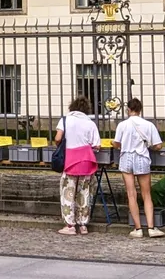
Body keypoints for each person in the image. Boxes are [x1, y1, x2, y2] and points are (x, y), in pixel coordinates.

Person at [112, 98, 165, 238]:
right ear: (140, 110)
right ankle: (151, 227)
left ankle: (138, 229)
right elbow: (158, 145)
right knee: (146, 195)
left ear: (128, 110)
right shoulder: (148, 125)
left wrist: (117, 144)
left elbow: (116, 144)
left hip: (127, 158)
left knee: (131, 194)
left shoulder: (122, 125)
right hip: (142, 157)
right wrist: (151, 146)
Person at [54, 97, 102, 235]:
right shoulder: (90, 123)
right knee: (84, 193)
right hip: (87, 160)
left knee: (68, 193)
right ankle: (83, 224)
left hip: (70, 160)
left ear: (72, 107)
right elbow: (97, 145)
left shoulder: (65, 120)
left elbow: (58, 138)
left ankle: (70, 225)